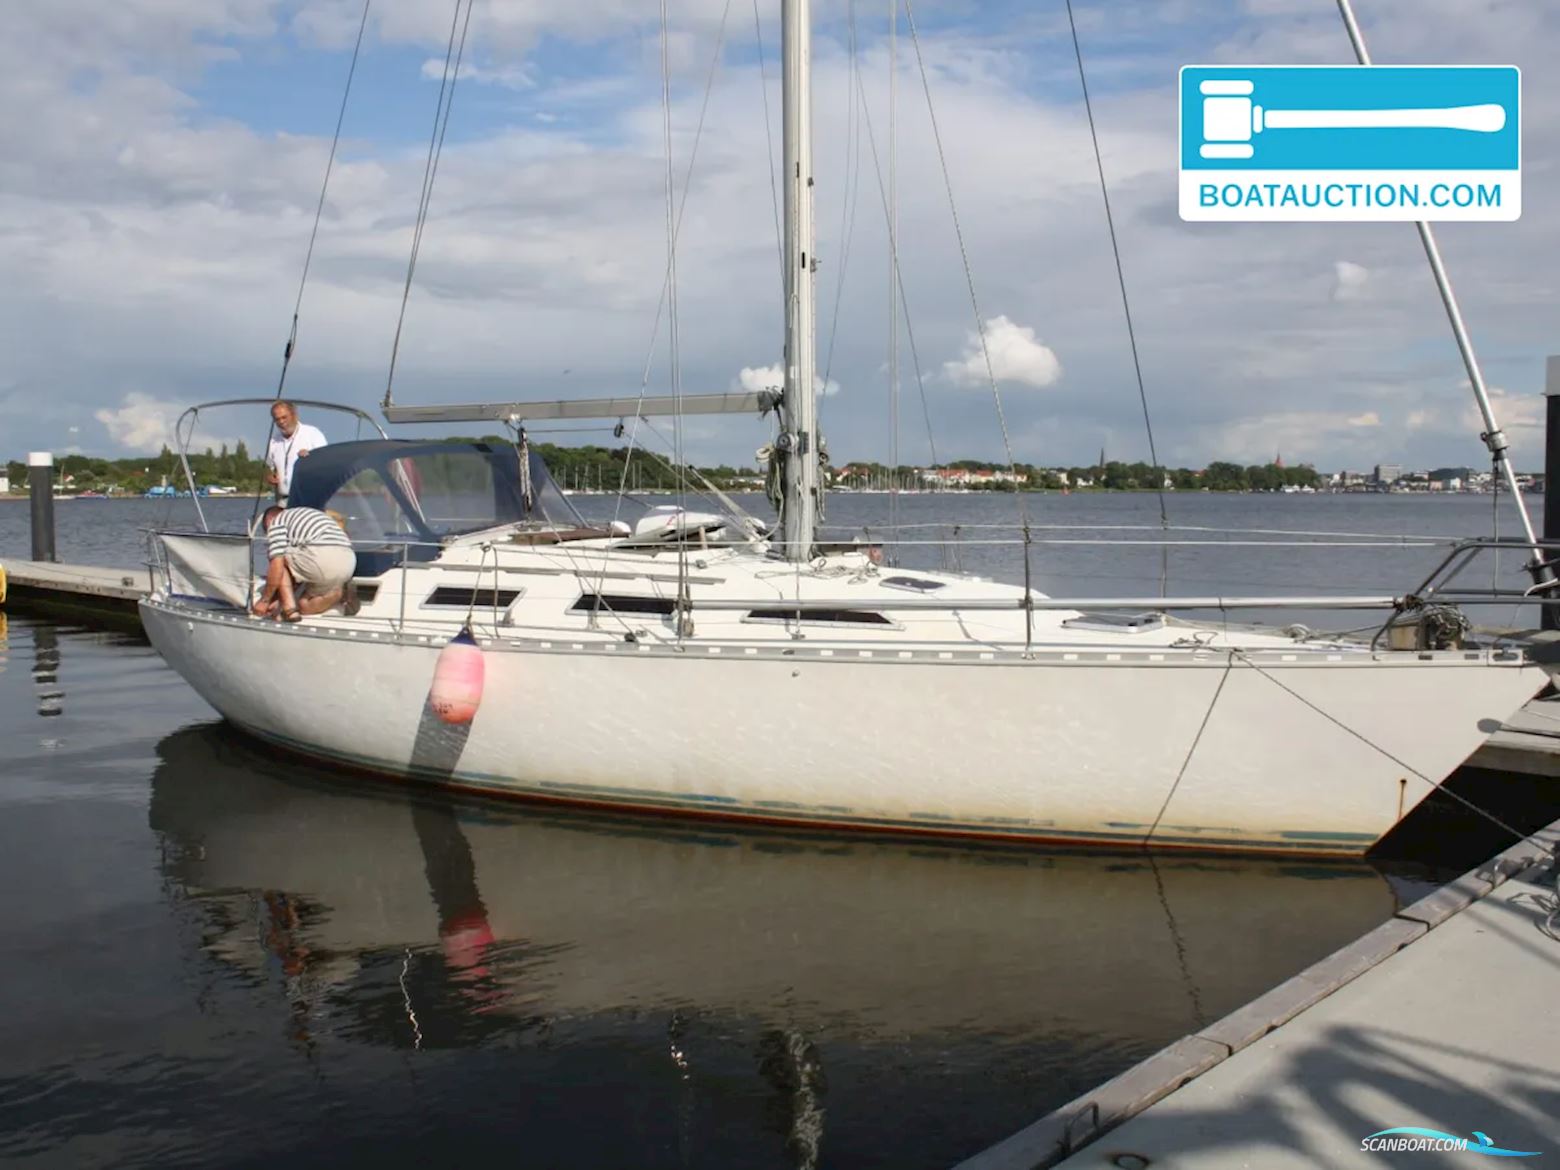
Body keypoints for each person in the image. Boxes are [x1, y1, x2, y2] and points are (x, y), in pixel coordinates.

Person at [252, 506, 359, 620]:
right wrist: (278, 600)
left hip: (322, 559)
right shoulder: (309, 514)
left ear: (268, 521)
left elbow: (277, 564)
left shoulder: (276, 522)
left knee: (278, 556)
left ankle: (290, 610)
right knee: (304, 605)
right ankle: (337, 593)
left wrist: (265, 600)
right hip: (349, 562)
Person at [264, 401, 328, 504]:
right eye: (277, 419)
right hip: (282, 501)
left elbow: (326, 463)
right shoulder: (273, 441)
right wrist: (269, 476)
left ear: (294, 415)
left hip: (309, 499)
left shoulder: (312, 434)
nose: (281, 422)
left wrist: (312, 457)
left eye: (284, 417)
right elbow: (269, 468)